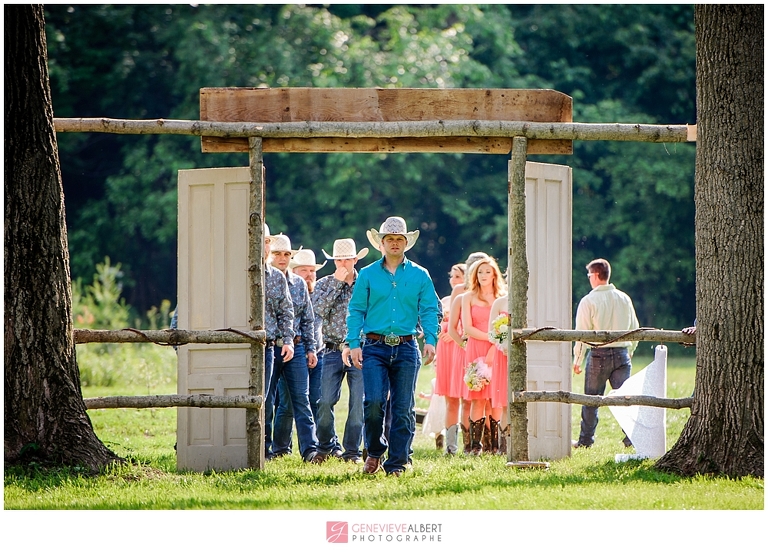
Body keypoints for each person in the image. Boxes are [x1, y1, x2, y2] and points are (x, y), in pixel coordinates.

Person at [344, 216, 440, 477]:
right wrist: (354, 343)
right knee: (374, 403)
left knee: (402, 408)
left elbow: (431, 309)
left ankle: (397, 462)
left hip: (408, 347)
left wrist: (430, 340)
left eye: (400, 239)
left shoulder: (421, 275)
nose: (395, 243)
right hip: (374, 346)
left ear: (406, 243)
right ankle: (374, 451)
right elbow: (356, 310)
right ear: (381, 244)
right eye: (390, 239)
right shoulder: (367, 274)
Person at [264, 233, 322, 463]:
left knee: (301, 400)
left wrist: (310, 348)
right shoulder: (266, 278)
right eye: (278, 253)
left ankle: (310, 450)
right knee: (267, 400)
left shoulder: (298, 283)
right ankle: (265, 448)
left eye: (287, 254)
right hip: (269, 345)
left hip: (295, 346)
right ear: (271, 255)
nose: (282, 258)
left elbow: (307, 318)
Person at [312, 238, 369, 464]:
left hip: (359, 349)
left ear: (355, 259)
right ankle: (326, 446)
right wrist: (337, 283)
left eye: (347, 258)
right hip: (332, 350)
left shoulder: (366, 282)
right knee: (324, 401)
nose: (343, 263)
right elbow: (317, 311)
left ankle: (352, 452)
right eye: (338, 259)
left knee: (358, 403)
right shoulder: (325, 283)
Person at [573, 258, 639, 449]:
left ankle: (586, 440)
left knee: (591, 399)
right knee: (625, 399)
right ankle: (631, 438)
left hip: (598, 354)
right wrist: (631, 349)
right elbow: (634, 328)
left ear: (594, 275)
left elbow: (582, 333)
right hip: (621, 354)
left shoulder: (589, 301)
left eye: (588, 275)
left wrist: (577, 358)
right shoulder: (624, 298)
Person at [461, 255, 507, 454]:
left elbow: (503, 328)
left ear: (495, 274)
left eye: (488, 271)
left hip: (496, 350)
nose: (484, 275)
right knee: (478, 397)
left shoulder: (501, 298)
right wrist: (490, 338)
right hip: (476, 348)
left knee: (495, 398)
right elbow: (468, 328)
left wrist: (494, 345)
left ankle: (495, 446)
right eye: (480, 272)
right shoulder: (467, 297)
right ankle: (474, 446)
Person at [446, 252, 488, 453]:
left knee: (481, 398)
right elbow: (455, 324)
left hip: (483, 347)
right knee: (463, 397)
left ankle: (483, 443)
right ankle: (462, 444)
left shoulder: (489, 292)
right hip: (464, 346)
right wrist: (462, 343)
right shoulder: (460, 291)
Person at [487, 293, 509, 454]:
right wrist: (502, 342)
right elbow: (491, 332)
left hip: (524, 352)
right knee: (506, 403)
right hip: (502, 355)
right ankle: (505, 447)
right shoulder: (500, 302)